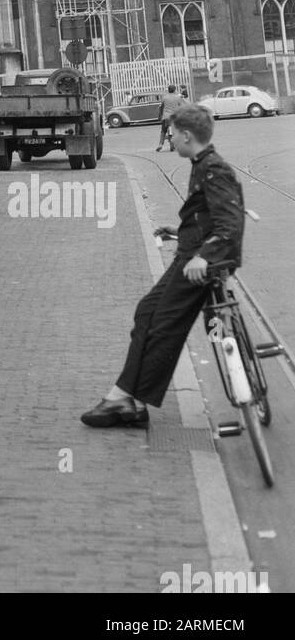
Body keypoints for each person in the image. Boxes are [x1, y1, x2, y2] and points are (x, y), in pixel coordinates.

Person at [81, 104, 244, 428]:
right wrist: (178, 229)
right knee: (147, 312)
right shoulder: (202, 164)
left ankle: (124, 399)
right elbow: (208, 215)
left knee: (164, 324)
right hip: (191, 253)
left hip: (199, 263)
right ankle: (131, 399)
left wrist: (204, 256)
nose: (168, 137)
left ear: (186, 135)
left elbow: (230, 223)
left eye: (171, 133)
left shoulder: (214, 169)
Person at [156, 83, 182, 151]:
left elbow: (161, 107)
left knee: (163, 131)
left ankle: (160, 144)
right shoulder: (178, 97)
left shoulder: (164, 97)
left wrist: (160, 115)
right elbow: (180, 107)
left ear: (168, 90)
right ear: (175, 90)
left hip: (166, 117)